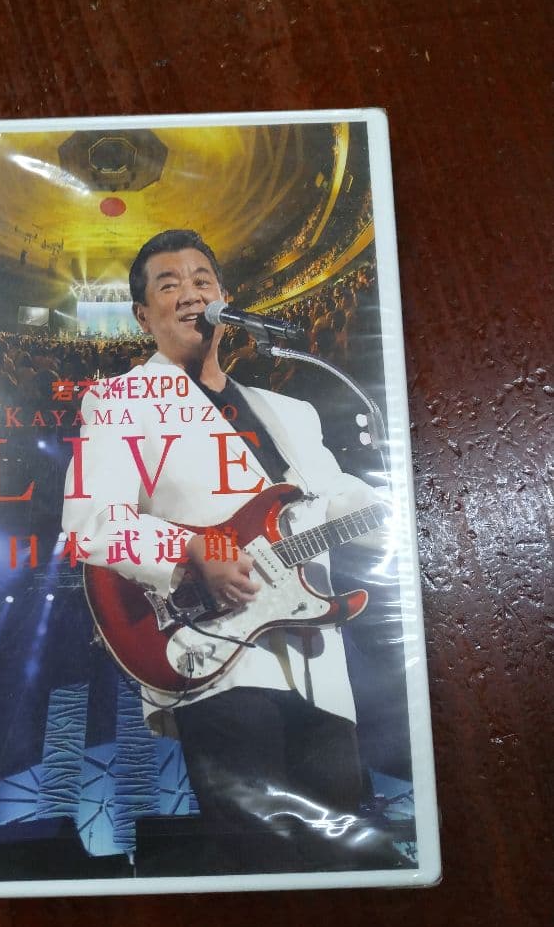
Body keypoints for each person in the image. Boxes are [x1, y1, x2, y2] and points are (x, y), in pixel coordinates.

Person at [62, 229, 405, 873]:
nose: (191, 294)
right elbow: (93, 523)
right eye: (169, 285)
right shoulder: (120, 401)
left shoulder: (290, 411)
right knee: (259, 857)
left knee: (340, 860)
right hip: (215, 654)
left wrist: (410, 497)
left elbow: (339, 503)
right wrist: (194, 549)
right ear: (143, 316)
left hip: (318, 665)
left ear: (225, 297)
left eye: (202, 280)